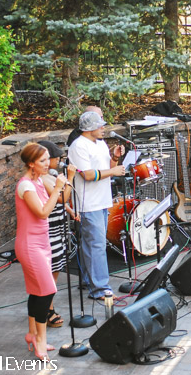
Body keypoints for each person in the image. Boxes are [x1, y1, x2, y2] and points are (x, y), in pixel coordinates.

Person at [15, 143, 67, 361]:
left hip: (42, 243)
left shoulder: (37, 181)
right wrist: (56, 188)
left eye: (48, 159)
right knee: (46, 290)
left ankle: (32, 334)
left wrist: (57, 188)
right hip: (29, 245)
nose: (48, 163)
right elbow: (43, 213)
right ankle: (40, 342)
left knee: (37, 290)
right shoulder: (26, 186)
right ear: (31, 164)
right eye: (43, 160)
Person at [68, 111, 126, 300]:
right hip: (88, 203)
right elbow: (88, 175)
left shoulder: (100, 143)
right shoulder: (78, 146)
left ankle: (88, 280)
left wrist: (115, 158)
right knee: (97, 246)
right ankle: (100, 289)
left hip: (102, 200)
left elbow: (105, 166)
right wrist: (114, 171)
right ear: (90, 128)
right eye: (100, 126)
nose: (103, 129)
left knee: (91, 245)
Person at [37, 140, 77, 328]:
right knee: (49, 271)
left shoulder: (51, 175)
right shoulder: (42, 179)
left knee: (56, 269)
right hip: (49, 229)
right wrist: (69, 177)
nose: (59, 161)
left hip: (58, 227)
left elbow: (60, 200)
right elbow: (61, 197)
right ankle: (47, 309)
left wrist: (70, 212)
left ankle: (47, 306)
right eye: (56, 159)